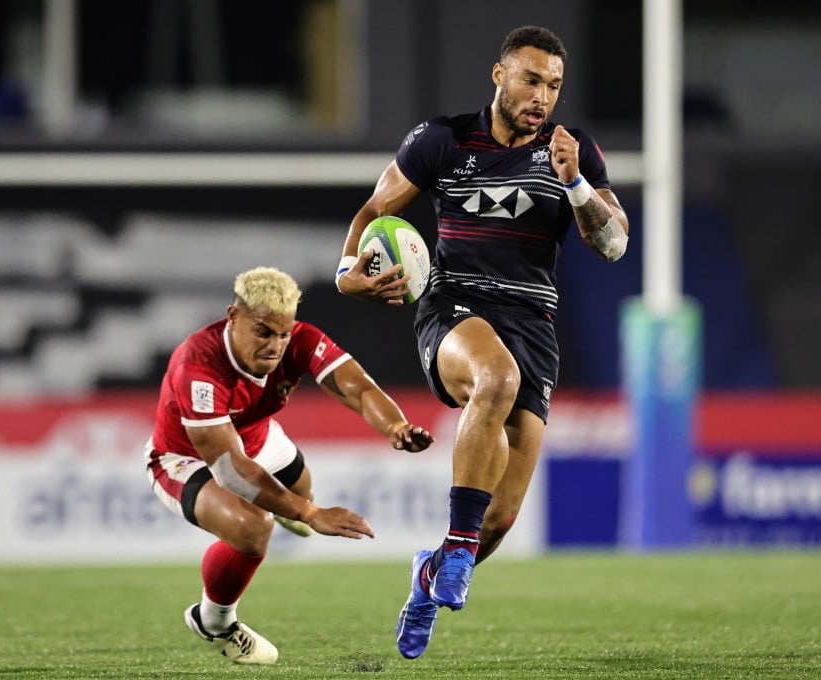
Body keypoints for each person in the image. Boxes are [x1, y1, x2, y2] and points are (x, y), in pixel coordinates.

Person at [335, 25, 630, 659]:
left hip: (534, 325)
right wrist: (346, 273)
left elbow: (614, 245)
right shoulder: (442, 140)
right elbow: (371, 213)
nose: (541, 96)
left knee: (498, 519)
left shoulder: (572, 152)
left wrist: (577, 184)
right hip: (453, 306)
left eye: (553, 85)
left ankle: (431, 571)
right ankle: (459, 550)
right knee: (495, 378)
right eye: (530, 79)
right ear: (499, 76)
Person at [145, 266, 434, 665]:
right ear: (233, 318)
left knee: (300, 494)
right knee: (253, 528)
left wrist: (395, 425)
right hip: (186, 458)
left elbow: (357, 387)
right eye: (263, 332)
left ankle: (284, 509)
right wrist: (311, 514)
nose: (276, 345)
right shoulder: (198, 365)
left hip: (258, 437)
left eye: (284, 333)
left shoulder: (300, 339)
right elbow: (229, 468)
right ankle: (213, 622)